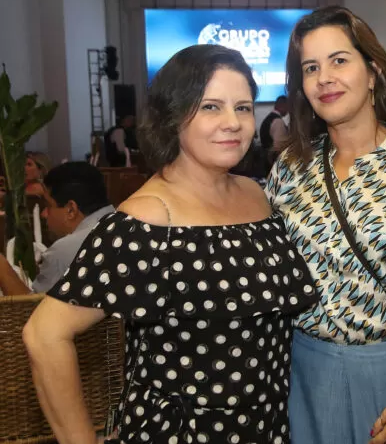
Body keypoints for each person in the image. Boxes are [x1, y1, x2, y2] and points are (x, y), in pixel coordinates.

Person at [23, 44, 318, 444]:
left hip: (266, 427)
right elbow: (44, 335)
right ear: (173, 116)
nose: (233, 122)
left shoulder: (255, 194)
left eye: (244, 107)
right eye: (211, 107)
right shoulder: (148, 219)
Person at [266, 6, 386, 444]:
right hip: (306, 373)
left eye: (339, 61)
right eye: (311, 68)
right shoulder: (290, 169)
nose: (324, 78)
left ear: (372, 71)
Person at [0, 161, 114, 295]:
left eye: (48, 206)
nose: (43, 214)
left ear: (71, 210)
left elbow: (33, 311)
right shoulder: (130, 225)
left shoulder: (65, 251)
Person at [260, 95, 289, 161]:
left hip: (265, 159)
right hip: (272, 161)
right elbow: (279, 147)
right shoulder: (278, 121)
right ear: (283, 105)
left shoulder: (269, 118)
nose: (288, 110)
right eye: (288, 106)